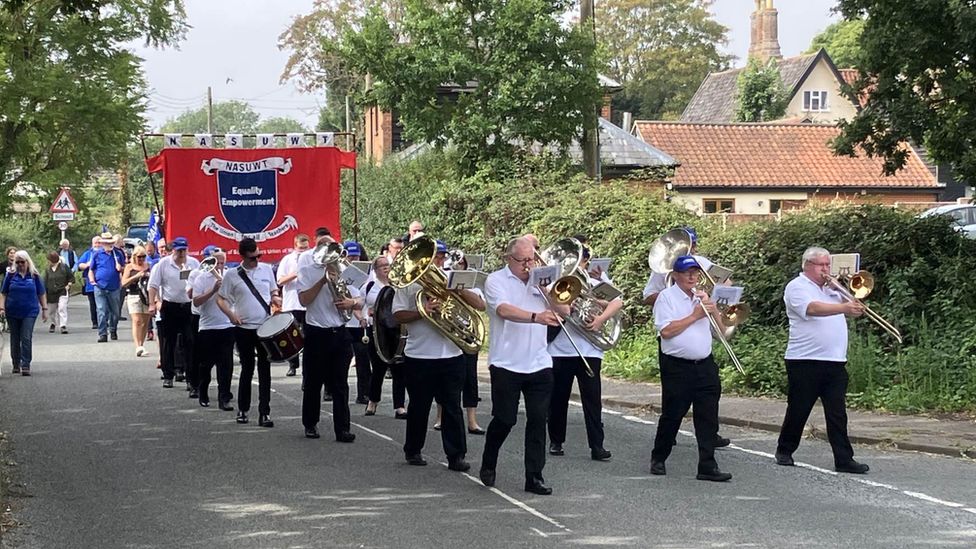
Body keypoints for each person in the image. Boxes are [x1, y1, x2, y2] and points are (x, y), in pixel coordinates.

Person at [775, 247, 870, 474]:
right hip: (805, 360)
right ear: (807, 265)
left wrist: (847, 290)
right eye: (821, 265)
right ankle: (784, 450)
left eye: (828, 265)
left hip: (835, 360)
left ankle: (844, 459)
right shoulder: (796, 287)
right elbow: (812, 308)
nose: (826, 269)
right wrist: (843, 306)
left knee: (837, 413)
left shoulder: (832, 289)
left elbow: (854, 306)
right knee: (799, 408)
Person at [393, 239, 483, 471]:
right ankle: (413, 450)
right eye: (435, 257)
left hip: (451, 355)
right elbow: (398, 316)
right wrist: (423, 312)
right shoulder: (407, 285)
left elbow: (480, 306)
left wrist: (458, 292)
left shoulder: (452, 279)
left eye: (441, 257)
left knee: (452, 407)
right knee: (419, 407)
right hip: (419, 356)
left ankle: (456, 456)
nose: (438, 261)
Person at [480, 237, 560, 495]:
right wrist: (536, 317)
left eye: (532, 259)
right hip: (506, 363)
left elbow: (565, 310)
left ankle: (534, 476)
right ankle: (489, 460)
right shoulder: (495, 281)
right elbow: (504, 310)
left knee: (538, 420)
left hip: (539, 362)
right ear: (509, 258)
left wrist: (549, 292)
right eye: (522, 260)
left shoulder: (542, 281)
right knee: (505, 419)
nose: (528, 265)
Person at [642, 226, 731, 449]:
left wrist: (713, 296)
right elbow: (648, 297)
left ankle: (709, 450)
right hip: (674, 344)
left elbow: (726, 284)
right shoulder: (662, 270)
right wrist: (674, 296)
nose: (690, 251)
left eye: (692, 246)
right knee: (673, 406)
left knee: (708, 405)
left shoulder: (701, 263)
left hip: (702, 351)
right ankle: (665, 442)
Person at [649, 255, 732, 482]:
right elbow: (666, 331)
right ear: (675, 275)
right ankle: (659, 456)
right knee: (672, 415)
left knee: (708, 417)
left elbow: (722, 333)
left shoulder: (701, 297)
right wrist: (695, 315)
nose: (692, 276)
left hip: (704, 365)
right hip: (678, 367)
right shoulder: (666, 298)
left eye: (695, 272)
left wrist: (713, 311)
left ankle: (707, 465)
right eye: (687, 273)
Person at [547, 237, 621, 462]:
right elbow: (560, 307)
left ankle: (597, 445)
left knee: (593, 399)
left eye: (584, 261)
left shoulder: (595, 280)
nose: (581, 265)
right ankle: (556, 440)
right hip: (561, 348)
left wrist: (600, 320)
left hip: (590, 349)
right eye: (579, 261)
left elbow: (617, 302)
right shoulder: (556, 280)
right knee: (558, 397)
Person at [297, 241, 362, 441]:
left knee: (341, 384)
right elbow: (303, 300)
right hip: (316, 332)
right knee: (313, 382)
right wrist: (323, 281)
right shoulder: (307, 270)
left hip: (340, 332)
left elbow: (360, 299)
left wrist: (351, 302)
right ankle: (310, 423)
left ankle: (342, 429)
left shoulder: (346, 269)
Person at [217, 237, 279, 427]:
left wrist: (277, 300)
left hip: (264, 327)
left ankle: (264, 413)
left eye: (258, 256)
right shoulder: (232, 275)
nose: (256, 260)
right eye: (252, 258)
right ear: (243, 256)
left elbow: (273, 291)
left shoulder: (266, 270)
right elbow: (221, 299)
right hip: (243, 328)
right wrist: (231, 315)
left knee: (265, 369)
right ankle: (243, 409)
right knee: (247, 368)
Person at [148, 236, 200, 389]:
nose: (182, 253)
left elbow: (200, 282)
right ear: (173, 250)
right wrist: (152, 303)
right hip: (170, 305)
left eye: (184, 250)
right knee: (168, 342)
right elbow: (153, 285)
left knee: (190, 341)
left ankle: (191, 377)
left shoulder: (194, 263)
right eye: (179, 250)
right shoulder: (163, 264)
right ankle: (168, 374)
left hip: (188, 306)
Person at [363, 255, 408, 418]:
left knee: (399, 369)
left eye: (387, 265)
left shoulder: (398, 285)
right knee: (378, 368)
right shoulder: (370, 286)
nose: (385, 267)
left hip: (396, 331)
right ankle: (372, 401)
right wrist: (365, 316)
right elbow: (361, 304)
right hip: (377, 331)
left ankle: (400, 406)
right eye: (381, 265)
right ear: (375, 270)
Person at [192, 250, 235, 410]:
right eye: (217, 262)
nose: (220, 266)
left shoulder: (230, 276)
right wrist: (213, 290)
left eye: (223, 262)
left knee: (226, 365)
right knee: (206, 364)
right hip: (208, 326)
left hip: (226, 325)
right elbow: (196, 302)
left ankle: (224, 397)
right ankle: (202, 390)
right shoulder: (201, 278)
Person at [0, 251, 47, 376]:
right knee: (15, 338)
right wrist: (2, 308)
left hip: (29, 311)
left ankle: (25, 364)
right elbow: (3, 293)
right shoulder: (10, 275)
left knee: (26, 337)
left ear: (27, 262)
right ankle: (16, 363)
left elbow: (41, 293)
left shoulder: (34, 276)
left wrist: (45, 309)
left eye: (22, 262)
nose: (20, 264)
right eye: (17, 262)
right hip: (12, 311)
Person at [342, 241, 372, 405]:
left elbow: (364, 298)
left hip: (361, 324)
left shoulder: (368, 274)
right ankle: (331, 390)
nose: (354, 258)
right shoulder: (341, 273)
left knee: (363, 359)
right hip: (346, 323)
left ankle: (364, 393)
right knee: (342, 360)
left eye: (356, 255)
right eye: (351, 255)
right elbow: (347, 297)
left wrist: (363, 317)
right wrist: (358, 314)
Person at [276, 233, 310, 377]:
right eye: (301, 248)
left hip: (308, 302)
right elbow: (280, 281)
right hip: (292, 302)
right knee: (291, 336)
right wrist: (295, 273)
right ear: (295, 247)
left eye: (306, 248)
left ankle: (308, 365)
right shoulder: (287, 260)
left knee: (308, 335)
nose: (304, 251)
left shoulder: (312, 259)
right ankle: (293, 364)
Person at [88, 232, 123, 343]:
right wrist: (92, 280)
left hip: (114, 287)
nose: (108, 245)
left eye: (110, 243)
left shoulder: (117, 254)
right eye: (106, 243)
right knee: (101, 310)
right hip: (100, 286)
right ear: (103, 244)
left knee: (115, 312)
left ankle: (113, 329)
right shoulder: (97, 254)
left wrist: (120, 268)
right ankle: (102, 333)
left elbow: (124, 268)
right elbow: (91, 269)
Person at [121, 246, 152, 356]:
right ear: (134, 256)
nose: (142, 259)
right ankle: (138, 346)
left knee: (145, 322)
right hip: (133, 295)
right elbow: (123, 283)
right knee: (137, 321)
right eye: (139, 257)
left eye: (144, 257)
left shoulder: (148, 266)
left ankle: (141, 344)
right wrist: (136, 276)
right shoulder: (129, 267)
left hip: (146, 296)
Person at [41, 251, 72, 334]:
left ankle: (63, 325)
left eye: (49, 260)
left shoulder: (64, 267)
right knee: (51, 310)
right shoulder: (47, 270)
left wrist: (68, 285)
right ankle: (53, 323)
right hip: (51, 293)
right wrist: (44, 293)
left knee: (62, 307)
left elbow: (71, 277)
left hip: (62, 291)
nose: (48, 262)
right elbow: (45, 281)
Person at [76, 237, 100, 330]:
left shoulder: (105, 253)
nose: (97, 244)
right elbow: (79, 265)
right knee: (93, 304)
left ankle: (104, 321)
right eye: (95, 243)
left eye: (99, 242)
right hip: (90, 284)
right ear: (92, 243)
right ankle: (95, 322)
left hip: (103, 283)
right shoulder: (88, 253)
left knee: (102, 304)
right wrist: (87, 265)